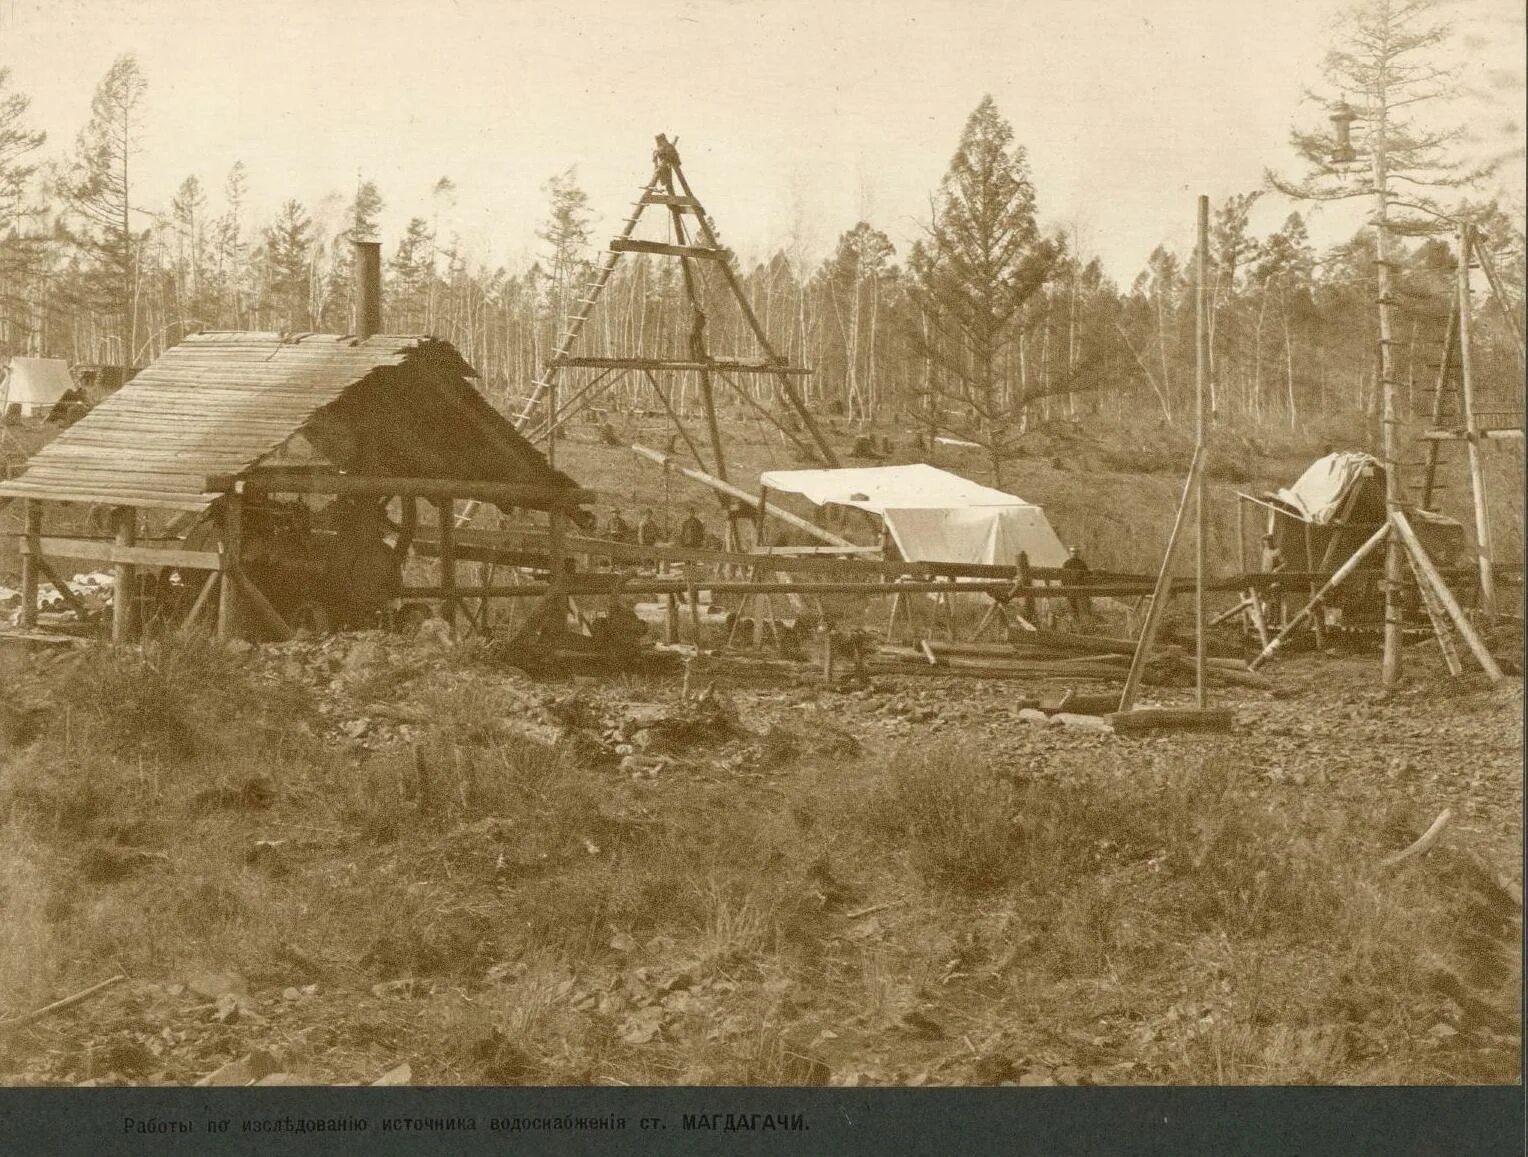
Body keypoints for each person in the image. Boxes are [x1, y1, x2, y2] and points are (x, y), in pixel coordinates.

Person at [1060, 545, 1092, 624]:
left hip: (1080, 590)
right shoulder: (1067, 564)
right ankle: (1076, 621)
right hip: (1072, 590)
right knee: (1073, 607)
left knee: (1083, 606)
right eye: (1073, 552)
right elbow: (1063, 578)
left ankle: (1083, 621)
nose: (1074, 554)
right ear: (1070, 553)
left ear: (1078, 553)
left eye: (1076, 552)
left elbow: (1087, 578)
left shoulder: (1082, 564)